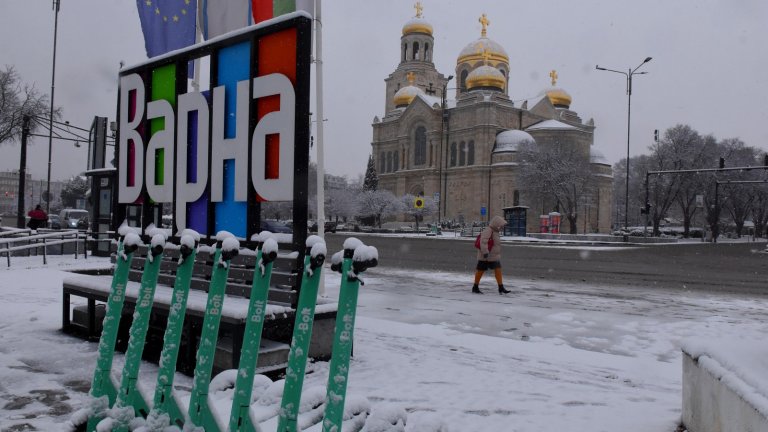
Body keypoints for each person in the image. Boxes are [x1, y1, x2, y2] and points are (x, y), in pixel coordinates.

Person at [472, 215, 511, 295]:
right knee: (480, 271)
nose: (502, 227)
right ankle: (475, 287)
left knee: (498, 269)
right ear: (496, 224)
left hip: (493, 256)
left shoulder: (495, 231)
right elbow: (483, 242)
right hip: (486, 255)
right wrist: (485, 252)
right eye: (501, 225)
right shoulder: (489, 230)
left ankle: (501, 287)